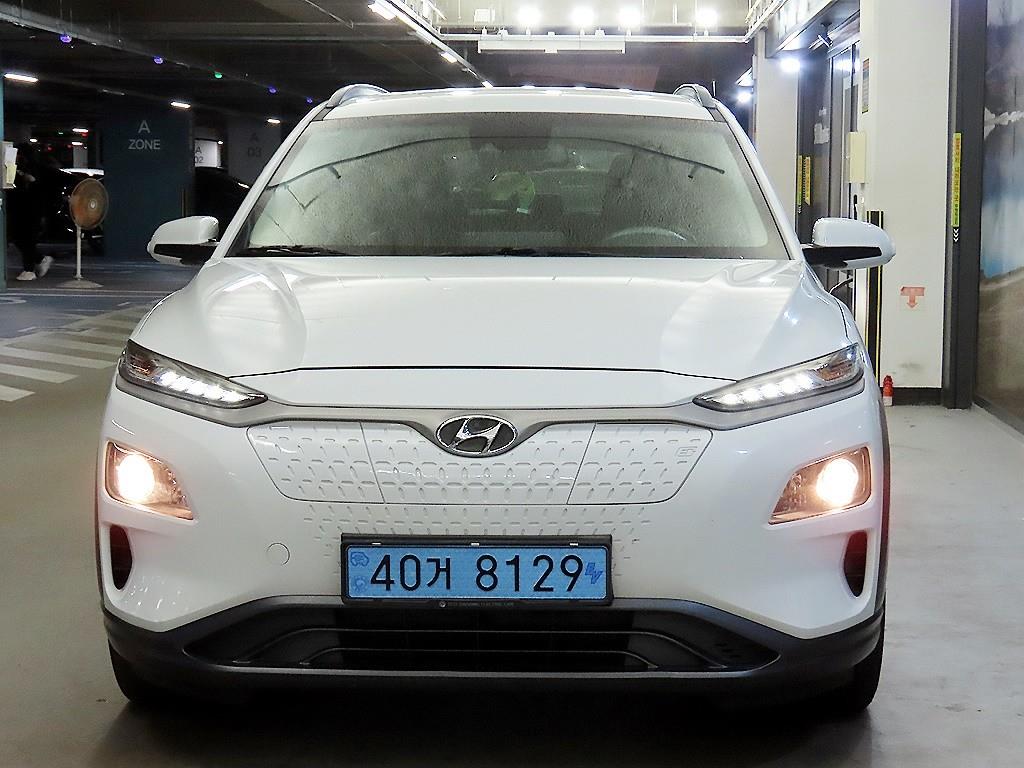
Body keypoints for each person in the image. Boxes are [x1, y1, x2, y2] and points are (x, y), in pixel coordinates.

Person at [7, 149, 53, 281]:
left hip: (28, 211)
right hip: (23, 210)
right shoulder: (22, 172)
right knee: (20, 239)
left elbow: (34, 191)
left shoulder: (31, 172)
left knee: (26, 239)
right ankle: (38, 260)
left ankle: (29, 269)